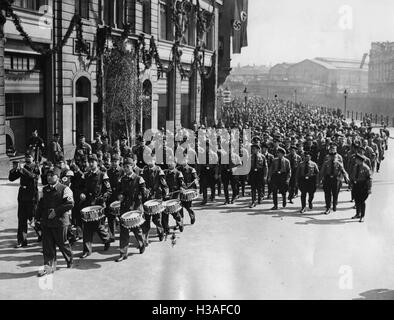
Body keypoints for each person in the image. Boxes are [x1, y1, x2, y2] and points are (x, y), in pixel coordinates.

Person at [36, 169, 74, 276]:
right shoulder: (44, 190)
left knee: (62, 243)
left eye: (52, 175)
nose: (49, 177)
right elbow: (40, 205)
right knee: (47, 245)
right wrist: (36, 218)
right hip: (47, 222)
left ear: (57, 177)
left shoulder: (65, 189)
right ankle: (48, 267)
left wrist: (56, 212)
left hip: (60, 221)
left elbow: (70, 204)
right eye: (47, 175)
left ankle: (69, 259)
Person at [80, 154, 112, 258]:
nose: (91, 163)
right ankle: (87, 250)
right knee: (87, 227)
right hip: (88, 203)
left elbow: (108, 190)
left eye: (93, 161)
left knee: (97, 225)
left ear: (97, 162)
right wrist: (83, 193)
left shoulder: (103, 175)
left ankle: (107, 239)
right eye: (89, 161)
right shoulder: (87, 175)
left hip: (98, 203)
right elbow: (84, 188)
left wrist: (103, 198)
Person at [116, 158, 147, 262]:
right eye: (124, 167)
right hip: (124, 207)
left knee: (136, 229)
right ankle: (123, 253)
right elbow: (119, 191)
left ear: (132, 167)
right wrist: (120, 196)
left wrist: (139, 198)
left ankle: (142, 243)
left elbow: (144, 193)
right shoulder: (122, 179)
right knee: (123, 230)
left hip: (135, 207)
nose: (125, 169)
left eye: (127, 166)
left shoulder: (139, 179)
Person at [9, 152, 41, 247]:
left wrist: (23, 169)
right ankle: (22, 240)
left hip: (32, 196)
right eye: (26, 157)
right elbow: (11, 178)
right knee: (21, 218)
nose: (27, 159)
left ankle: (41, 233)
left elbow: (33, 177)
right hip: (22, 195)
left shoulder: (35, 167)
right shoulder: (22, 168)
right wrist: (14, 170)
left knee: (33, 218)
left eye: (29, 157)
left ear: (33, 159)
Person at [141, 156, 169, 244]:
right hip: (147, 197)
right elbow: (142, 183)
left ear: (155, 160)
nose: (150, 162)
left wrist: (165, 193)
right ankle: (145, 239)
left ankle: (160, 231)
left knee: (156, 219)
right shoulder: (144, 171)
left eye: (151, 160)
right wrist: (144, 190)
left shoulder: (159, 170)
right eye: (148, 160)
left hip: (157, 196)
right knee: (146, 219)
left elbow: (163, 183)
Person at [319, 144, 349, 215]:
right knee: (327, 193)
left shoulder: (339, 157)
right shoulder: (326, 157)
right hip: (328, 177)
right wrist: (320, 179)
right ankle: (328, 207)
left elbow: (342, 168)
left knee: (335, 193)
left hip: (336, 178)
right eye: (331, 149)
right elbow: (323, 169)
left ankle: (334, 204)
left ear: (336, 150)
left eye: (334, 149)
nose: (332, 150)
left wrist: (345, 177)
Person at [106, 154, 124, 243]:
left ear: (119, 161)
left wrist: (121, 195)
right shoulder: (108, 172)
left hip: (120, 196)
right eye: (112, 161)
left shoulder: (122, 171)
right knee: (111, 217)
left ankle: (123, 234)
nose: (114, 163)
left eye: (115, 161)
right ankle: (112, 236)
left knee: (121, 216)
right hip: (111, 196)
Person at [163, 160, 185, 234]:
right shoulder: (164, 172)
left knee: (174, 211)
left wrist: (181, 188)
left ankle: (179, 221)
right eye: (168, 163)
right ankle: (166, 228)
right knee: (164, 212)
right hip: (166, 194)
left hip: (174, 194)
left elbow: (182, 183)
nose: (169, 164)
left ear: (175, 164)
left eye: (171, 163)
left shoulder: (178, 173)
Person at [350, 154, 372, 223]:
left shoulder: (366, 168)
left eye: (357, 159)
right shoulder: (355, 166)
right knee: (356, 200)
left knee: (362, 201)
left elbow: (369, 179)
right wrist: (351, 183)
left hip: (363, 186)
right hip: (356, 185)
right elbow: (353, 175)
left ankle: (362, 216)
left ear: (360, 160)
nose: (355, 160)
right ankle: (357, 214)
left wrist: (369, 189)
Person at [178, 158, 199, 225]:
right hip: (180, 190)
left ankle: (192, 215)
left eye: (184, 160)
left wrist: (195, 181)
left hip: (189, 190)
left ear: (187, 161)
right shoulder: (178, 169)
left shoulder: (191, 169)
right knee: (179, 207)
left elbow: (195, 178)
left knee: (188, 206)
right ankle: (180, 221)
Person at [249, 144, 268, 208]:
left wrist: (265, 176)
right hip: (252, 173)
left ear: (258, 149)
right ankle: (253, 201)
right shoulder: (250, 156)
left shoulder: (262, 156)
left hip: (260, 173)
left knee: (259, 187)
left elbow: (265, 167)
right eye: (252, 149)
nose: (253, 150)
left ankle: (260, 198)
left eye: (254, 149)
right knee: (253, 188)